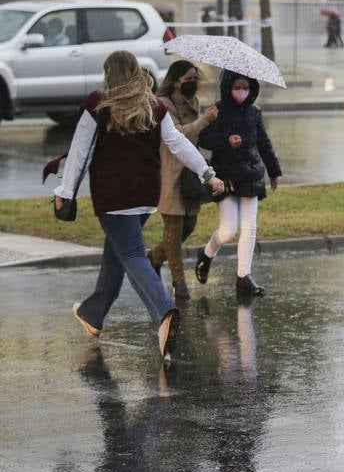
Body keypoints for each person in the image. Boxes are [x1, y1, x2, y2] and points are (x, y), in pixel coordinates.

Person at [53, 50, 224, 359]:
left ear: (110, 75)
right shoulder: (155, 107)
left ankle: (164, 312)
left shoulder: (98, 105)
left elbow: (79, 152)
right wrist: (206, 172)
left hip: (112, 195)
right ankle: (93, 314)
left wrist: (64, 191)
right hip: (147, 196)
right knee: (116, 252)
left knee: (131, 253)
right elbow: (178, 144)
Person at [195, 69, 282, 297]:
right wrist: (225, 140)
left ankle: (244, 277)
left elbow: (263, 143)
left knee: (250, 228)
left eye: (246, 87)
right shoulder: (218, 110)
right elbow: (204, 139)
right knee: (228, 230)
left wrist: (274, 171)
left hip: (250, 174)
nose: (242, 91)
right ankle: (206, 254)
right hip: (224, 176)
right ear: (228, 87)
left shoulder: (254, 112)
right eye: (237, 87)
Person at [148, 60, 219, 302]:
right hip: (169, 171)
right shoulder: (163, 104)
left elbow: (195, 138)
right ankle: (179, 283)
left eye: (195, 78)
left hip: (189, 173)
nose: (193, 82)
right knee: (173, 227)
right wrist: (204, 121)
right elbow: (177, 136)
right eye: (188, 78)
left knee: (188, 225)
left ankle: (155, 258)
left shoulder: (195, 102)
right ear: (176, 80)